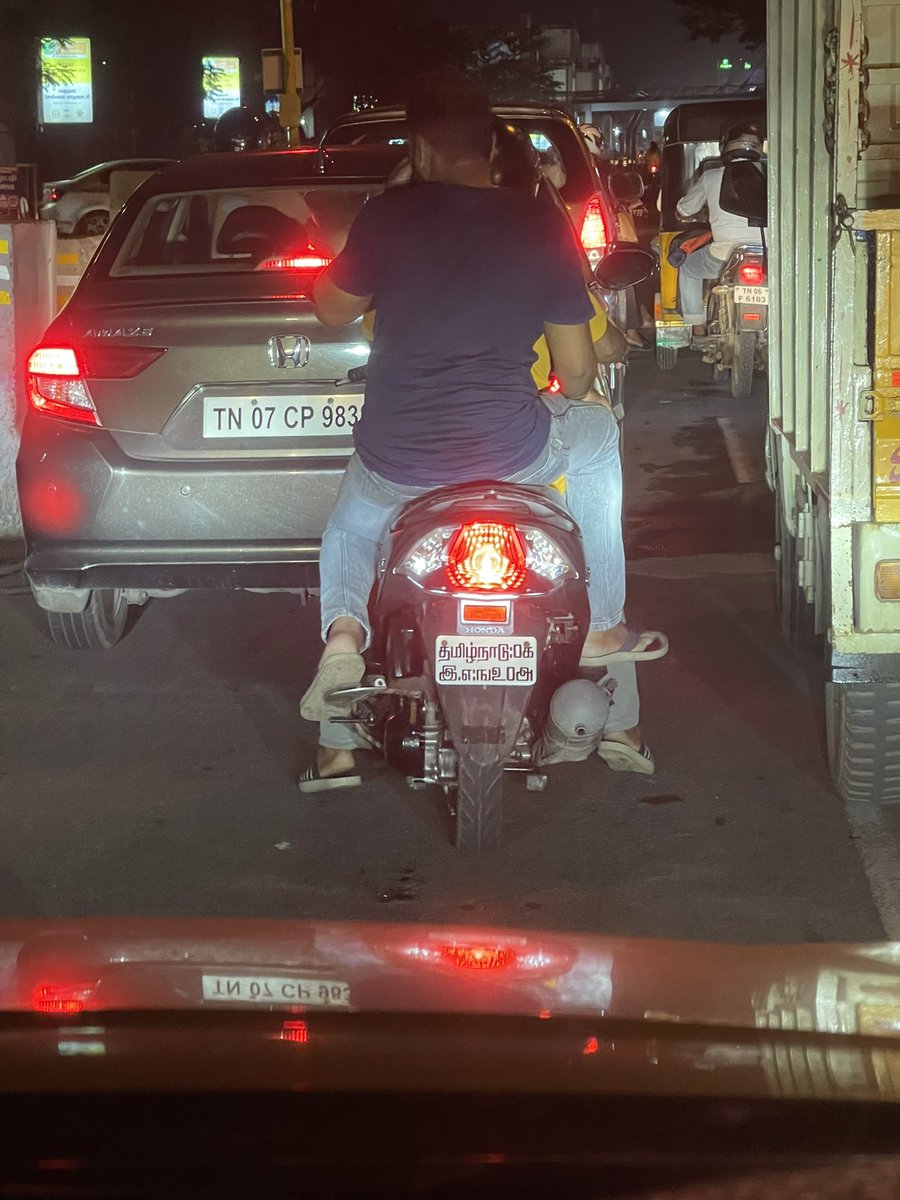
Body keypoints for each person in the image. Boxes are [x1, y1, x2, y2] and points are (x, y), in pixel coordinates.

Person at [297, 72, 667, 793]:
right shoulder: (536, 225)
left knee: (349, 527)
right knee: (593, 436)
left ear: (422, 147)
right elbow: (578, 369)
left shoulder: (385, 217)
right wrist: (573, 395)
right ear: (491, 149)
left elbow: (331, 311)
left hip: (397, 458)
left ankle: (344, 637)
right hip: (513, 451)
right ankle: (602, 621)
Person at [675, 124, 763, 336]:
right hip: (768, 253)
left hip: (724, 256)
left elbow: (685, 209)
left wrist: (682, 211)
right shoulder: (772, 174)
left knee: (687, 268)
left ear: (726, 147)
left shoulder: (711, 177)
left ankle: (697, 325)